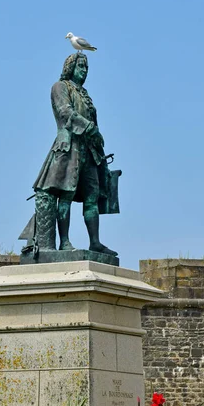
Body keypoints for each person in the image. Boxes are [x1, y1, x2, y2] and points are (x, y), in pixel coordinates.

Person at [33, 53, 118, 256]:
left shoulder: (85, 94)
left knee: (92, 196)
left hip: (89, 150)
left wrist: (98, 144)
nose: (84, 71)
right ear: (70, 67)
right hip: (69, 147)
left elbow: (93, 123)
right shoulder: (60, 87)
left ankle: (95, 242)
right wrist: (89, 127)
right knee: (66, 193)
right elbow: (65, 112)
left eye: (86, 68)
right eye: (81, 66)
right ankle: (64, 242)